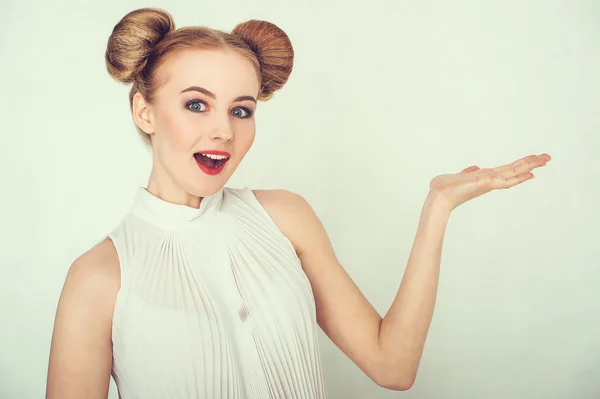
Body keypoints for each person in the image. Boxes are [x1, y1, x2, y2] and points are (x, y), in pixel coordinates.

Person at [45, 7, 551, 399]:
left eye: (241, 109)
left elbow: (393, 366)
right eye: (196, 104)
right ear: (144, 111)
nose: (223, 130)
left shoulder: (286, 218)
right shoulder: (98, 278)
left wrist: (437, 207)